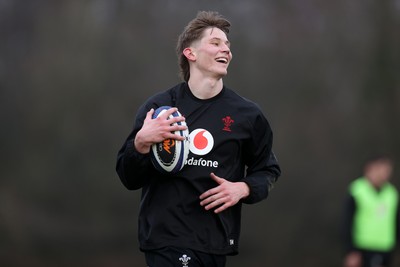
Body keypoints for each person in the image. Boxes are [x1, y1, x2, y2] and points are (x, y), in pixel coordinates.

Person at [116, 11, 281, 267]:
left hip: (214, 242)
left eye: (227, 44)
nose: (226, 49)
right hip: (165, 240)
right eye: (215, 43)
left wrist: (243, 188)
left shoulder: (247, 115)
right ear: (190, 54)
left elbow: (268, 170)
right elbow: (128, 177)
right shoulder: (159, 108)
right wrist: (141, 143)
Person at [343, 155, 399, 267]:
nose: (383, 174)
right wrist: (351, 250)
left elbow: (396, 222)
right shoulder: (357, 191)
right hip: (363, 248)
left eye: (386, 171)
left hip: (385, 248)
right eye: (380, 170)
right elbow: (346, 222)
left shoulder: (392, 193)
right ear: (369, 169)